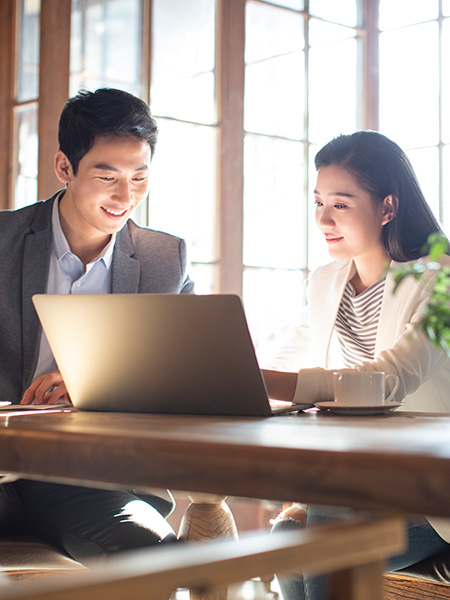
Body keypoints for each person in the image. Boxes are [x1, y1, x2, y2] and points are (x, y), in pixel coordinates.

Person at [0, 87, 194, 563]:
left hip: (93, 480)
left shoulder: (163, 259)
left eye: (139, 177)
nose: (125, 196)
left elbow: (183, 375)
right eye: (107, 176)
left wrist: (93, 384)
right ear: (64, 167)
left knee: (150, 552)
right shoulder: (2, 239)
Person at [261, 131, 450, 599]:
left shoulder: (440, 277)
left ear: (388, 207)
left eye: (341, 204)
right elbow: (293, 356)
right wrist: (231, 377)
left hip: (432, 491)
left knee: (326, 534)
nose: (324, 218)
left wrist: (259, 378)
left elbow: (387, 380)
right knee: (288, 539)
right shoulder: (327, 282)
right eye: (318, 202)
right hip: (371, 479)